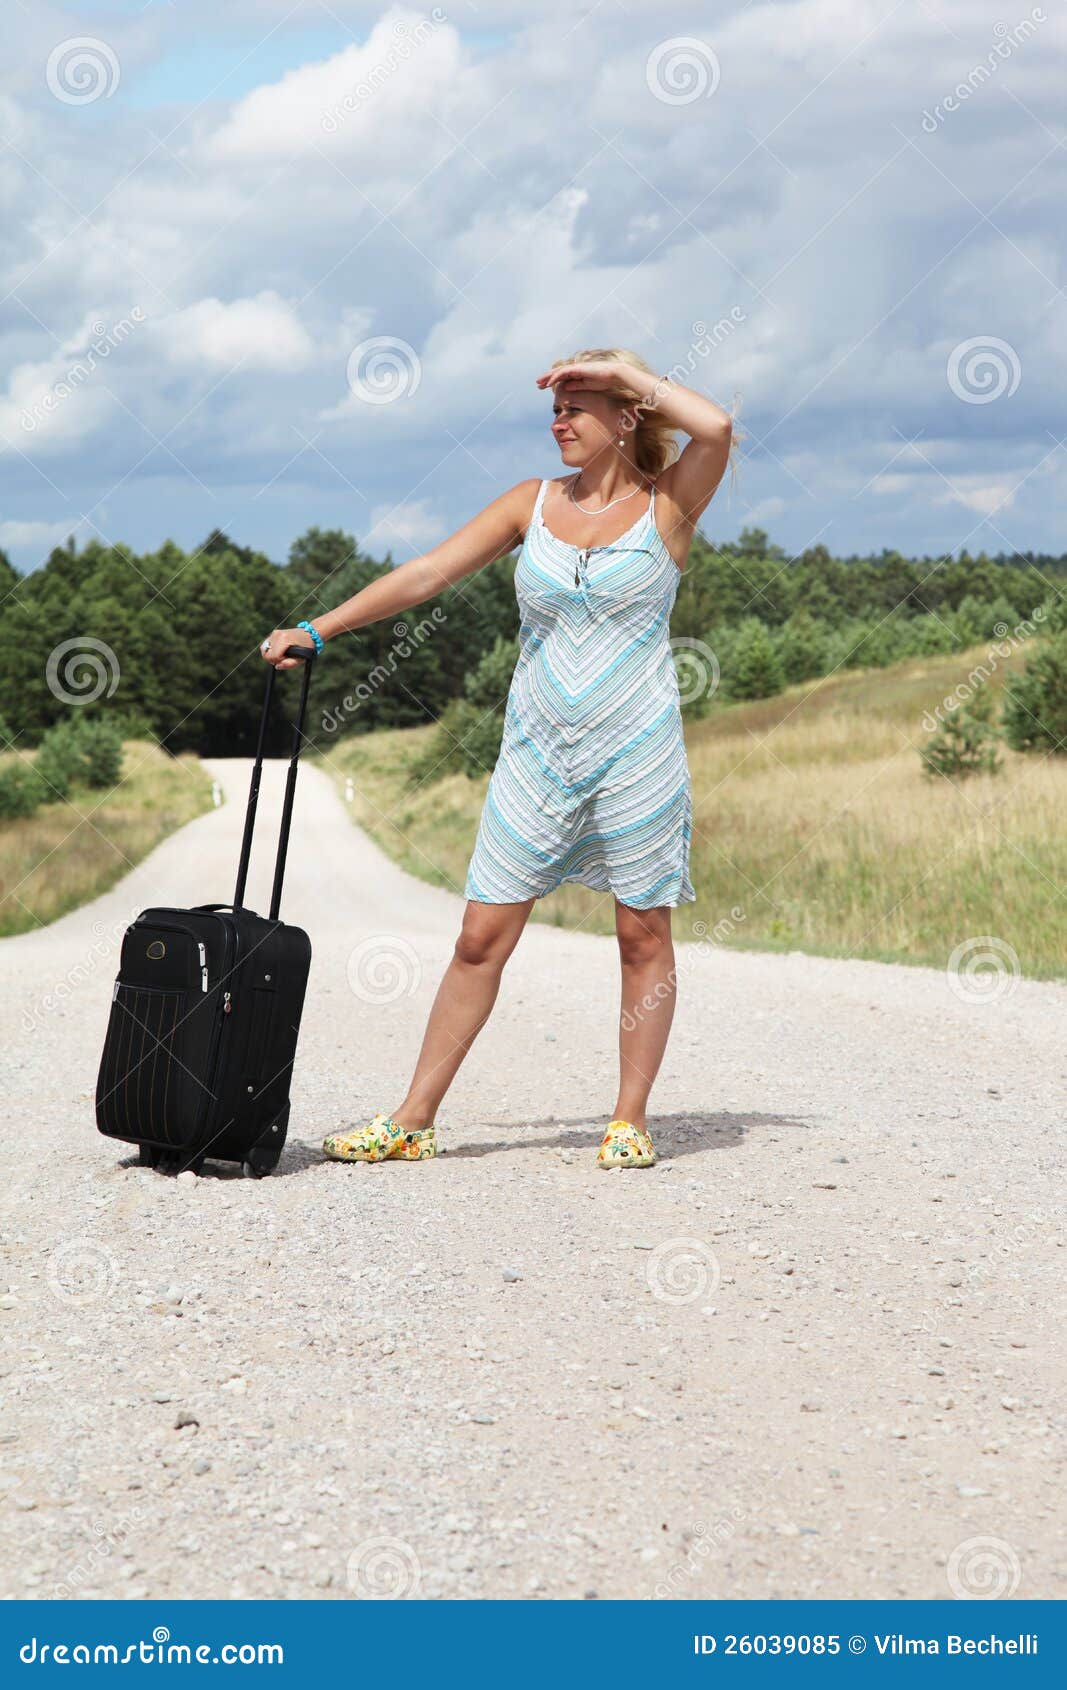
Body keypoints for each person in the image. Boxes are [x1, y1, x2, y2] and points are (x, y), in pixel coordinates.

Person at [260, 347, 734, 1169]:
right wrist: (319, 629)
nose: (560, 419)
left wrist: (627, 367)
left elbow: (717, 426)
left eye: (579, 405)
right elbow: (429, 571)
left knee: (641, 935)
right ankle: (411, 1119)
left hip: (638, 753)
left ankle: (627, 1120)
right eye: (555, 408)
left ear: (627, 416)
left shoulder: (671, 507)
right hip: (535, 756)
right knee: (480, 936)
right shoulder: (531, 504)